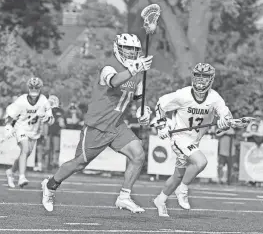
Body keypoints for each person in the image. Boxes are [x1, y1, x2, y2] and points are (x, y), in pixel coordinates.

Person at [41, 33, 153, 213]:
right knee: (79, 164)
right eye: (128, 49)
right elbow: (115, 81)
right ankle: (50, 185)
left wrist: (144, 110)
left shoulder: (138, 72)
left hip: (117, 125)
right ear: (118, 48)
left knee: (138, 154)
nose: (132, 53)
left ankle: (124, 197)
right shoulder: (109, 67)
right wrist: (134, 69)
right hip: (98, 125)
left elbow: (139, 98)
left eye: (134, 50)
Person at [151, 63, 233, 217]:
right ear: (193, 77)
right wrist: (161, 126)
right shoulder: (183, 95)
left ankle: (160, 200)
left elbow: (226, 116)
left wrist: (224, 122)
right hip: (179, 138)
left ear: (211, 79)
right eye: (198, 75)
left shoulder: (214, 97)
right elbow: (161, 104)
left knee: (178, 175)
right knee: (201, 162)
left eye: (205, 76)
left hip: (194, 140)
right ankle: (182, 190)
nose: (201, 79)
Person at [5, 77, 54, 188]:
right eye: (32, 87)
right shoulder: (21, 100)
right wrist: (8, 127)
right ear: (28, 87)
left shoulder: (43, 101)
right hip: (21, 128)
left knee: (25, 153)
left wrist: (46, 118)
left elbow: (51, 120)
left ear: (40, 88)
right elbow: (11, 115)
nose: (34, 89)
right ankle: (22, 177)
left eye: (36, 87)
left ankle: (11, 172)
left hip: (34, 131)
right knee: (25, 149)